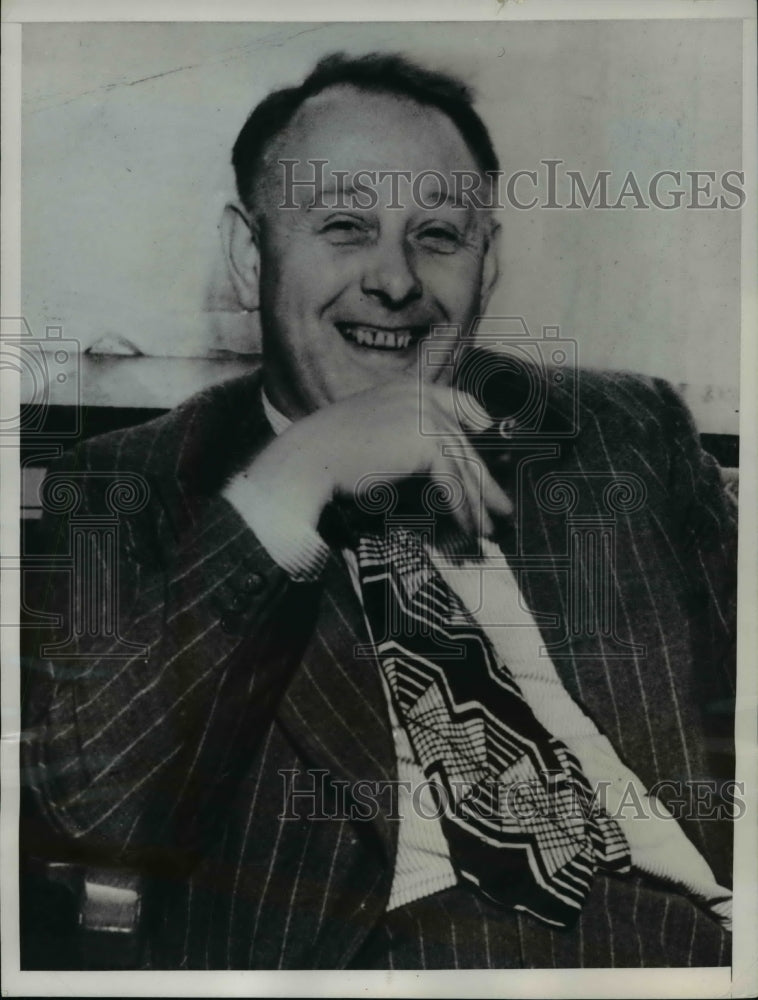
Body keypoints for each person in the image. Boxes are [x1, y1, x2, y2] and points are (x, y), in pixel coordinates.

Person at [23, 52, 737, 969]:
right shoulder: (128, 489)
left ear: (490, 262)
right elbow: (89, 817)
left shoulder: (620, 433)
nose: (395, 281)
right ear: (251, 257)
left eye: (438, 235)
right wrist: (299, 475)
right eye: (346, 226)